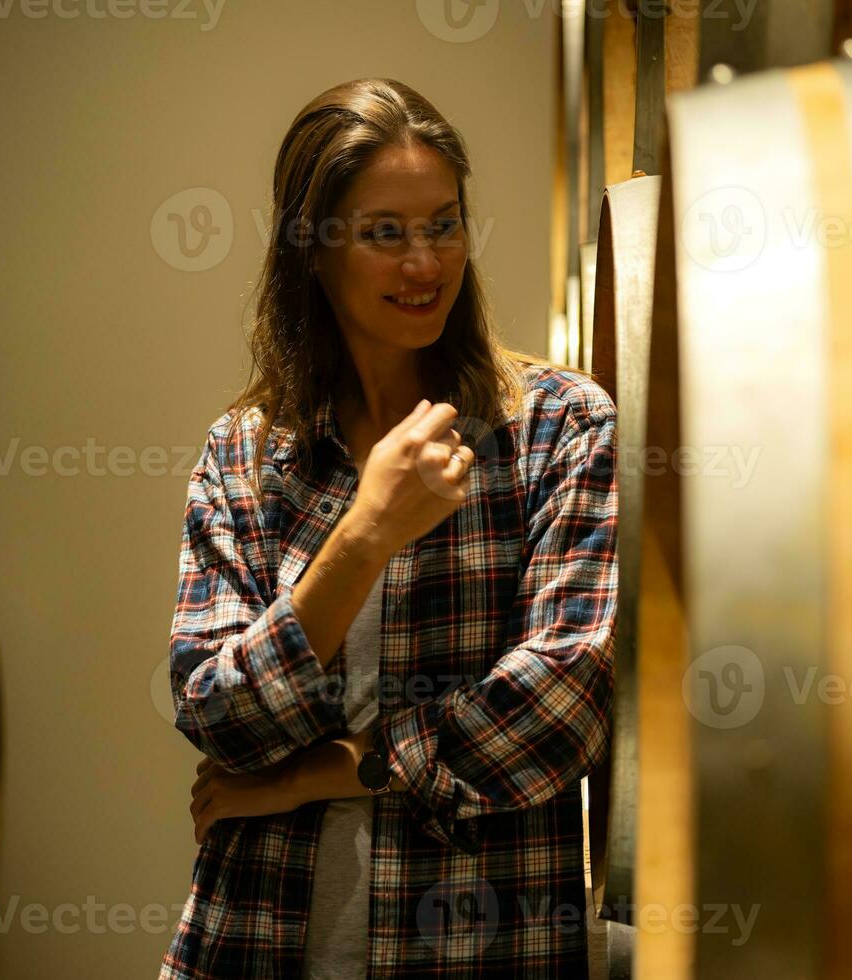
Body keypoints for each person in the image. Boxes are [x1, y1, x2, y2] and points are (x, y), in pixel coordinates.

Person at [162, 77, 616, 978]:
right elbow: (218, 717)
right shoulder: (249, 454)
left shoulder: (559, 428)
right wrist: (364, 534)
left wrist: (320, 773)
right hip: (257, 942)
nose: (425, 264)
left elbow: (559, 708)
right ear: (313, 251)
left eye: (443, 224)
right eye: (385, 234)